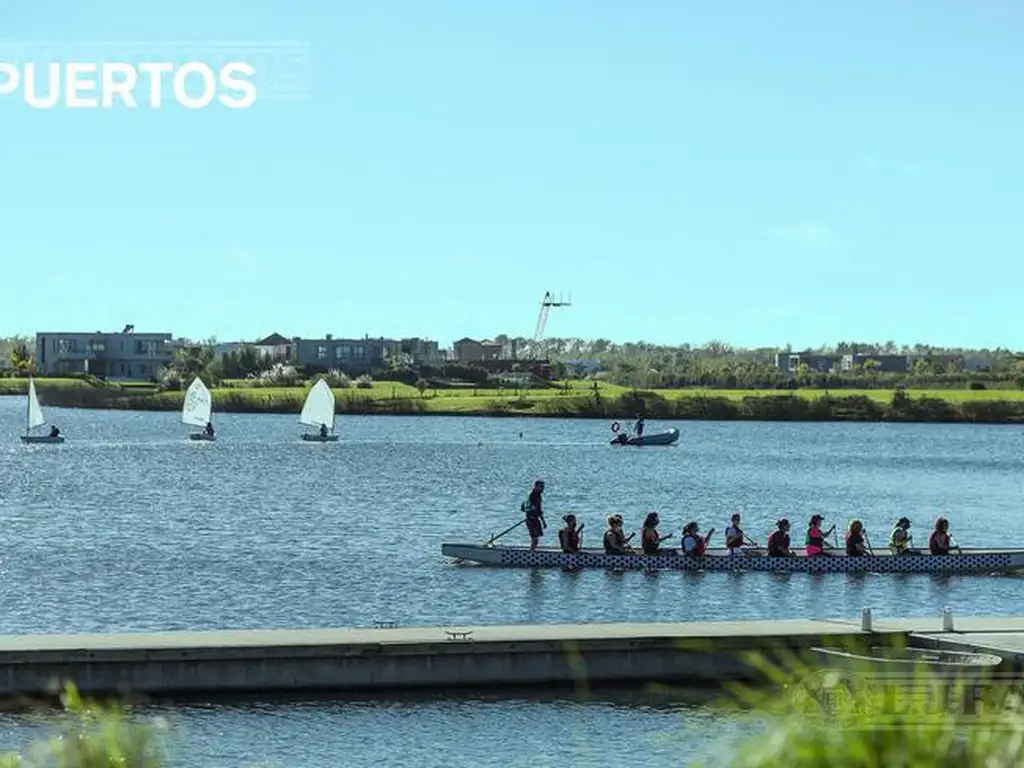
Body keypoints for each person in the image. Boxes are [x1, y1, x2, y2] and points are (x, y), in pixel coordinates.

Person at [522, 480, 546, 550]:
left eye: (543, 487)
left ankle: (532, 551)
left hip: (533, 518)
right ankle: (531, 553)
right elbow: (537, 509)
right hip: (532, 519)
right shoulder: (533, 495)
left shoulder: (535, 495)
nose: (542, 488)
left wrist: (542, 521)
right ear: (536, 486)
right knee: (534, 539)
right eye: (541, 487)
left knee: (536, 539)